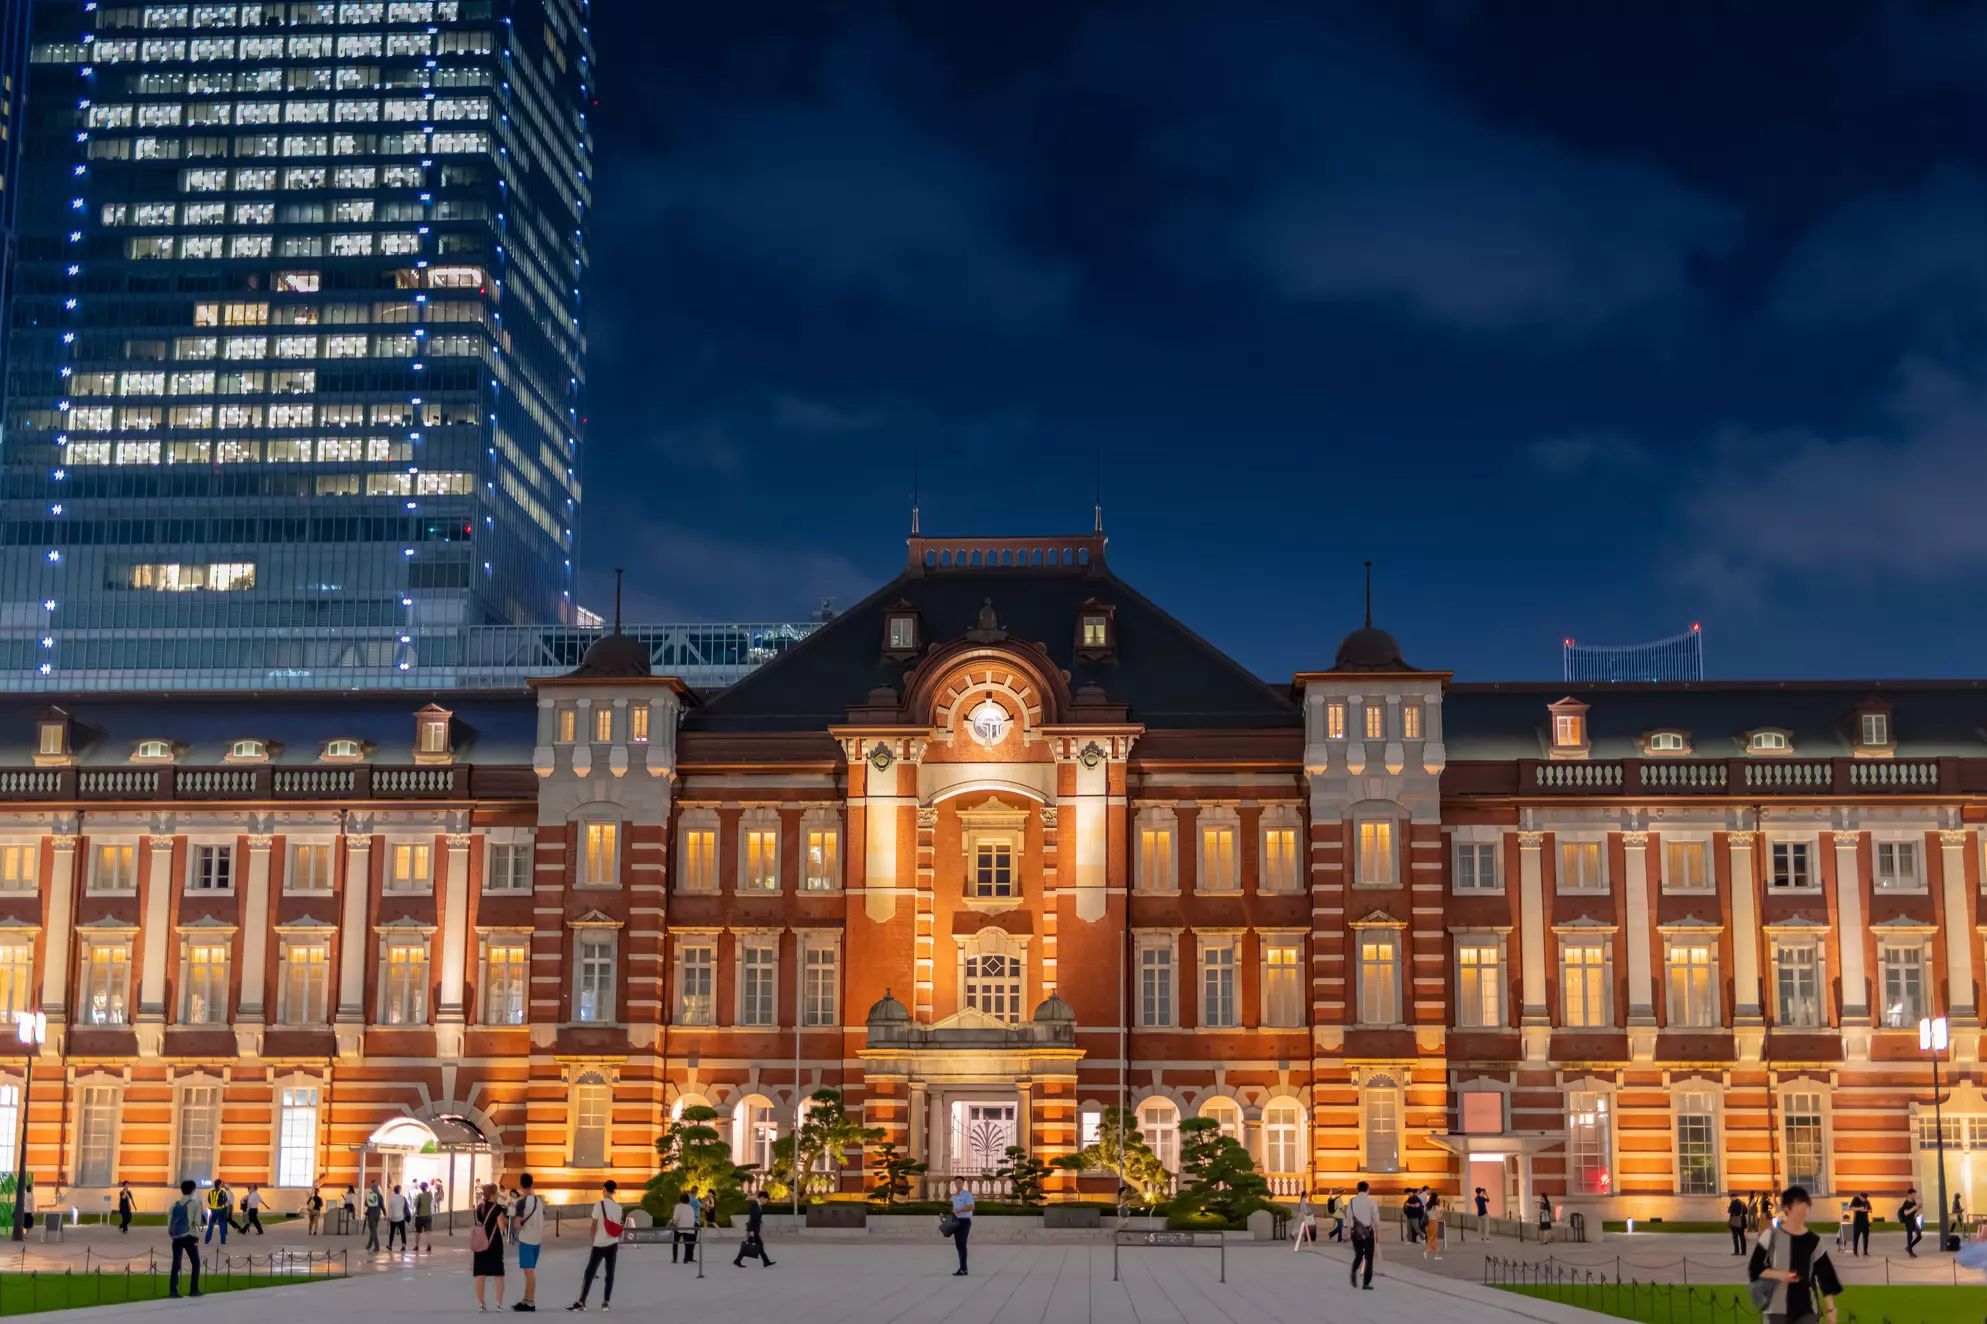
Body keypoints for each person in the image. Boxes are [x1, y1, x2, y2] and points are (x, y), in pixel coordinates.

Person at [1749, 1184, 1843, 1324]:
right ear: (1787, 1208)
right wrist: (1780, 1275)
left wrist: (1831, 1310)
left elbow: (1826, 1276)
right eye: (1800, 1207)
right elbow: (1754, 1268)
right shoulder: (1770, 1236)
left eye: (1806, 1207)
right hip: (1777, 1309)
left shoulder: (1814, 1241)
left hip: (1806, 1309)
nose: (1804, 1212)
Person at [568, 1179, 623, 1312]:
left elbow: (593, 1225)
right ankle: (605, 1302)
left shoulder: (599, 1204)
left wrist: (593, 1240)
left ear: (604, 1189)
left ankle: (582, 1301)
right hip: (613, 1243)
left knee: (590, 1272)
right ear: (614, 1191)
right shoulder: (618, 1207)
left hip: (599, 1243)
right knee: (610, 1273)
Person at [472, 1182, 508, 1312]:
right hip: (494, 1244)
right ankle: (499, 1304)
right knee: (498, 1274)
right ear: (493, 1194)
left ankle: (481, 1304)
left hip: (480, 1243)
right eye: (497, 1191)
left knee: (480, 1275)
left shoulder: (479, 1207)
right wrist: (504, 1220)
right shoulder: (497, 1208)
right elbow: (502, 1227)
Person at [511, 1173, 545, 1312]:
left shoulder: (521, 1202)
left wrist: (512, 1221)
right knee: (529, 1272)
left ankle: (530, 1303)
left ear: (521, 1184)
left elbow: (518, 1223)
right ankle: (525, 1299)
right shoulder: (539, 1201)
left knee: (529, 1273)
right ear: (532, 1183)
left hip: (526, 1240)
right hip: (537, 1240)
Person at [168, 1179, 203, 1299]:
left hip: (177, 1236)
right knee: (196, 1262)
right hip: (190, 1236)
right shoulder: (195, 1204)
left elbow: (170, 1221)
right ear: (193, 1190)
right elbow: (198, 1222)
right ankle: (194, 1289)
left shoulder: (175, 1204)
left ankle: (173, 1290)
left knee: (176, 1263)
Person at [1347, 1180, 1379, 1290]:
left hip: (1355, 1233)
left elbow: (1348, 1219)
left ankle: (1353, 1270)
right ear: (1368, 1189)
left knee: (1359, 1255)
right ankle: (1366, 1282)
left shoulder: (1351, 1202)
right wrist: (1378, 1234)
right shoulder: (1371, 1202)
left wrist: (1349, 1232)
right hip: (1368, 1232)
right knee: (1369, 1257)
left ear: (1357, 1189)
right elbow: (1376, 1220)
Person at [733, 1192, 775, 1268]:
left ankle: (738, 1260)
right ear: (762, 1198)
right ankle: (766, 1262)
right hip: (753, 1230)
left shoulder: (758, 1205)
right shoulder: (754, 1205)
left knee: (754, 1245)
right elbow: (752, 1219)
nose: (766, 1201)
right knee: (758, 1245)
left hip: (755, 1229)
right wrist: (751, 1230)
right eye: (766, 1199)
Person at [949, 1176, 975, 1276]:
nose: (958, 1185)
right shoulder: (954, 1196)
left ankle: (964, 1268)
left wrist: (960, 1210)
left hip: (964, 1222)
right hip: (956, 1221)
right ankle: (962, 1267)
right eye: (956, 1183)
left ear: (963, 1183)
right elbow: (954, 1209)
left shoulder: (967, 1195)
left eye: (960, 1183)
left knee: (962, 1244)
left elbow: (971, 1207)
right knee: (958, 1245)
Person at [667, 1191, 698, 1265]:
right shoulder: (690, 1207)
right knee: (687, 1243)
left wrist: (671, 1222)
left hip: (680, 1228)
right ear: (688, 1200)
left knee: (675, 1241)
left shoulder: (678, 1206)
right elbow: (692, 1218)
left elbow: (676, 1218)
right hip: (689, 1228)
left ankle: (675, 1258)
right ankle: (685, 1259)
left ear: (680, 1199)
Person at [204, 1179, 232, 1245]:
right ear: (219, 1185)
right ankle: (223, 1241)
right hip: (220, 1210)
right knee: (222, 1224)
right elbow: (225, 1201)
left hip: (212, 1210)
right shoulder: (222, 1192)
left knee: (211, 1225)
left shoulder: (210, 1192)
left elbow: (209, 1200)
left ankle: (207, 1240)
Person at [1901, 1187, 1924, 1258]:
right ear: (1909, 1195)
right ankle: (1910, 1252)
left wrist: (1918, 1208)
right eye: (1913, 1195)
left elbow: (1914, 1212)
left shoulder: (1913, 1202)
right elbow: (1906, 1213)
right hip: (1908, 1222)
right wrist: (1913, 1208)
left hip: (1913, 1220)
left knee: (1919, 1235)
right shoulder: (1906, 1203)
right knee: (1910, 1237)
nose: (1914, 1196)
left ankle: (1909, 1247)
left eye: (1915, 1195)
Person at [386, 1183, 410, 1252]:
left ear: (394, 1191)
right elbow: (406, 1208)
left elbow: (390, 1209)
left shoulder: (391, 1199)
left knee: (392, 1232)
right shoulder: (403, 1198)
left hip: (393, 1218)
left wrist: (389, 1218)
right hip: (401, 1218)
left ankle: (390, 1245)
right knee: (403, 1232)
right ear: (399, 1190)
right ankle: (403, 1245)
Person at [1849, 1193, 1871, 1257]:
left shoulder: (1867, 1201)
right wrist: (1860, 1209)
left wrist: (1866, 1210)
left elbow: (1870, 1210)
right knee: (1856, 1237)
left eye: (1865, 1198)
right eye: (1863, 1198)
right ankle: (1855, 1251)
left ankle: (1865, 1251)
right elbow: (1851, 1208)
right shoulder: (1855, 1199)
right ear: (1860, 1197)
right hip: (1857, 1222)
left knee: (1866, 1237)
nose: (1864, 1200)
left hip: (1865, 1222)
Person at [364, 1179, 384, 1252]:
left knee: (373, 1231)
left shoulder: (370, 1195)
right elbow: (382, 1206)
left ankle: (377, 1247)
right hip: (377, 1215)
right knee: (373, 1230)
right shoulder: (380, 1196)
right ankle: (369, 1245)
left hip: (371, 1215)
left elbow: (366, 1204)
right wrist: (385, 1213)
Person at [415, 1181, 435, 1253]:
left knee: (418, 1232)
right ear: (426, 1187)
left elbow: (415, 1204)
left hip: (420, 1216)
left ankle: (417, 1245)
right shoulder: (430, 1194)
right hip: (428, 1215)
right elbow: (431, 1201)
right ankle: (429, 1244)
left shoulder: (419, 1195)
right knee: (428, 1231)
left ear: (420, 1187)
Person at [1422, 1190, 1443, 1259]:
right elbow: (1439, 1216)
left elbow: (1425, 1213)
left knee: (1429, 1235)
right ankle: (1431, 1247)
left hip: (1428, 1221)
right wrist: (1442, 1211)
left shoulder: (1427, 1206)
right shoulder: (1436, 1207)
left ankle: (1431, 1247)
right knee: (1434, 1235)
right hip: (1434, 1222)